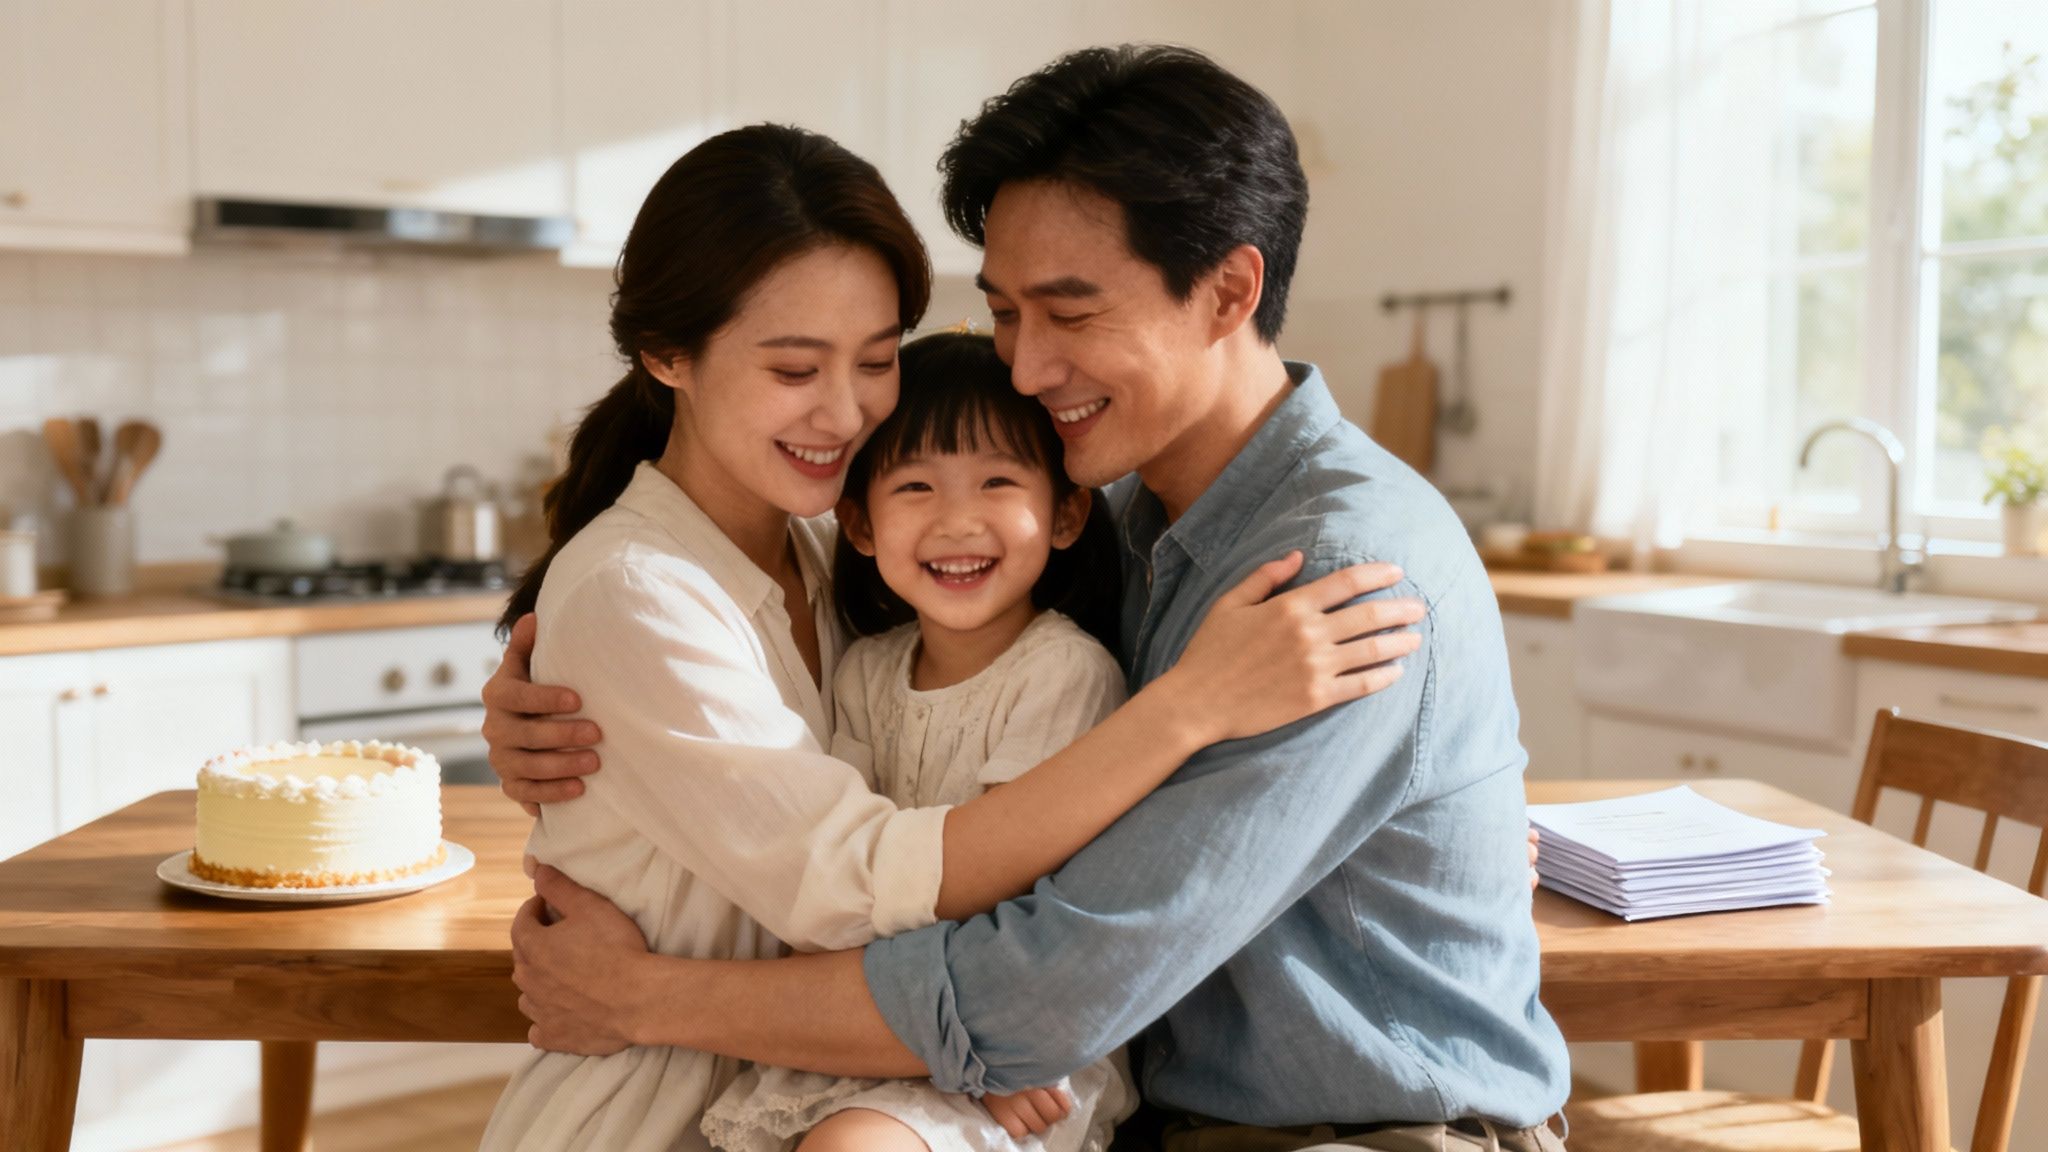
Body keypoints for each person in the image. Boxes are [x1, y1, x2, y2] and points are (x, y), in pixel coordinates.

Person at [490, 44, 1572, 1152]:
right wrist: (573, 716)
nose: (1022, 369)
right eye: (1006, 313)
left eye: (1070, 313)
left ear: (1227, 292)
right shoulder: (1108, 522)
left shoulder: (1332, 581)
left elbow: (1032, 996)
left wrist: (642, 997)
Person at [702, 330, 1146, 1152]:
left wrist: (976, 1042)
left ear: (1067, 513)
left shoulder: (1064, 673)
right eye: (914, 486)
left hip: (1016, 1039)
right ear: (859, 525)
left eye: (998, 481)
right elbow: (827, 871)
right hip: (878, 1019)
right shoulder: (864, 672)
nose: (957, 520)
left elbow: (1009, 889)